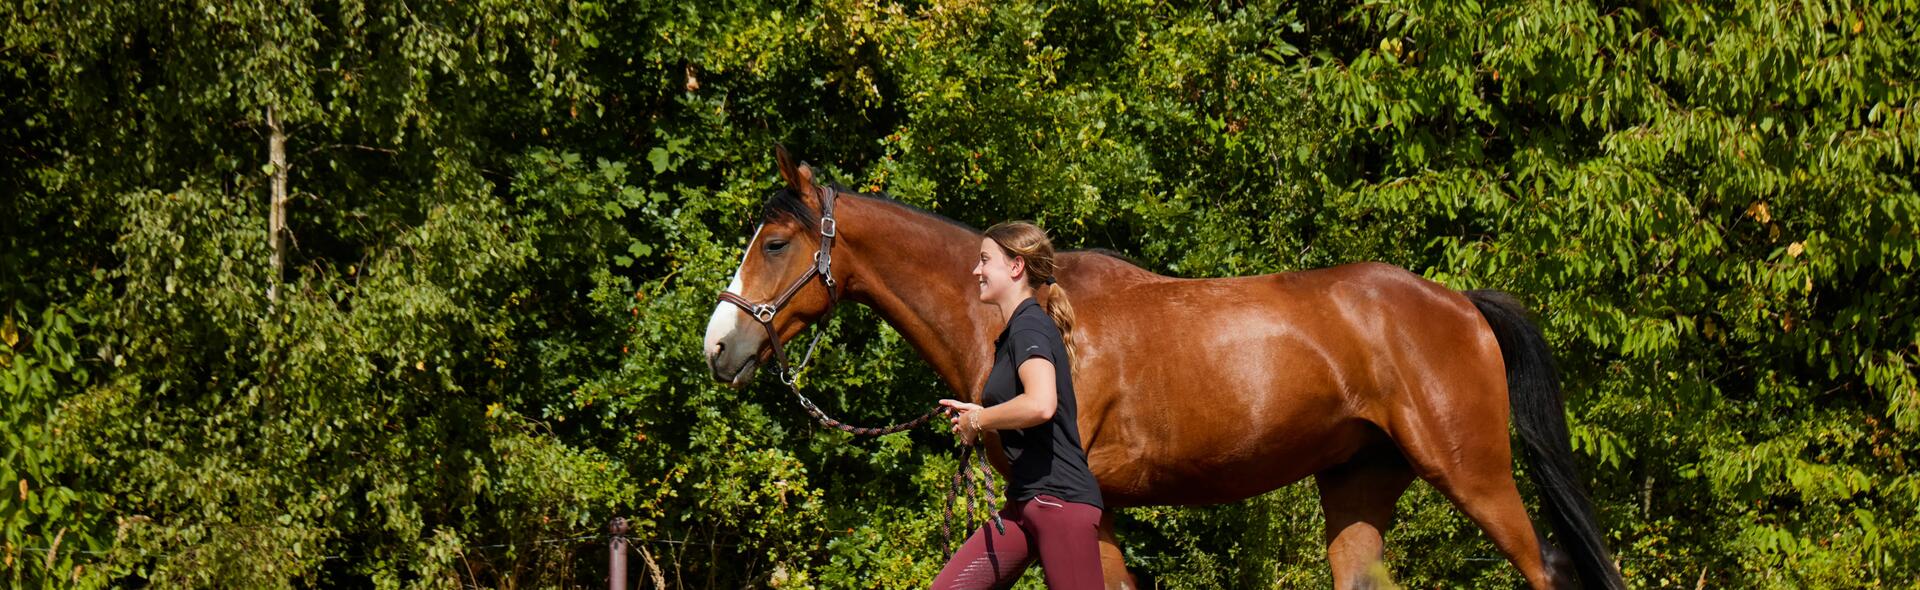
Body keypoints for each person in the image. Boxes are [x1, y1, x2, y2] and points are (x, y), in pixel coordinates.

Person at [934, 221, 1103, 589]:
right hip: (1025, 504)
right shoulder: (1016, 332)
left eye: (984, 260)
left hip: (1060, 504)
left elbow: (1041, 403)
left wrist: (979, 420)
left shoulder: (1030, 328)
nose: (976, 270)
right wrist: (974, 413)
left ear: (1015, 267)